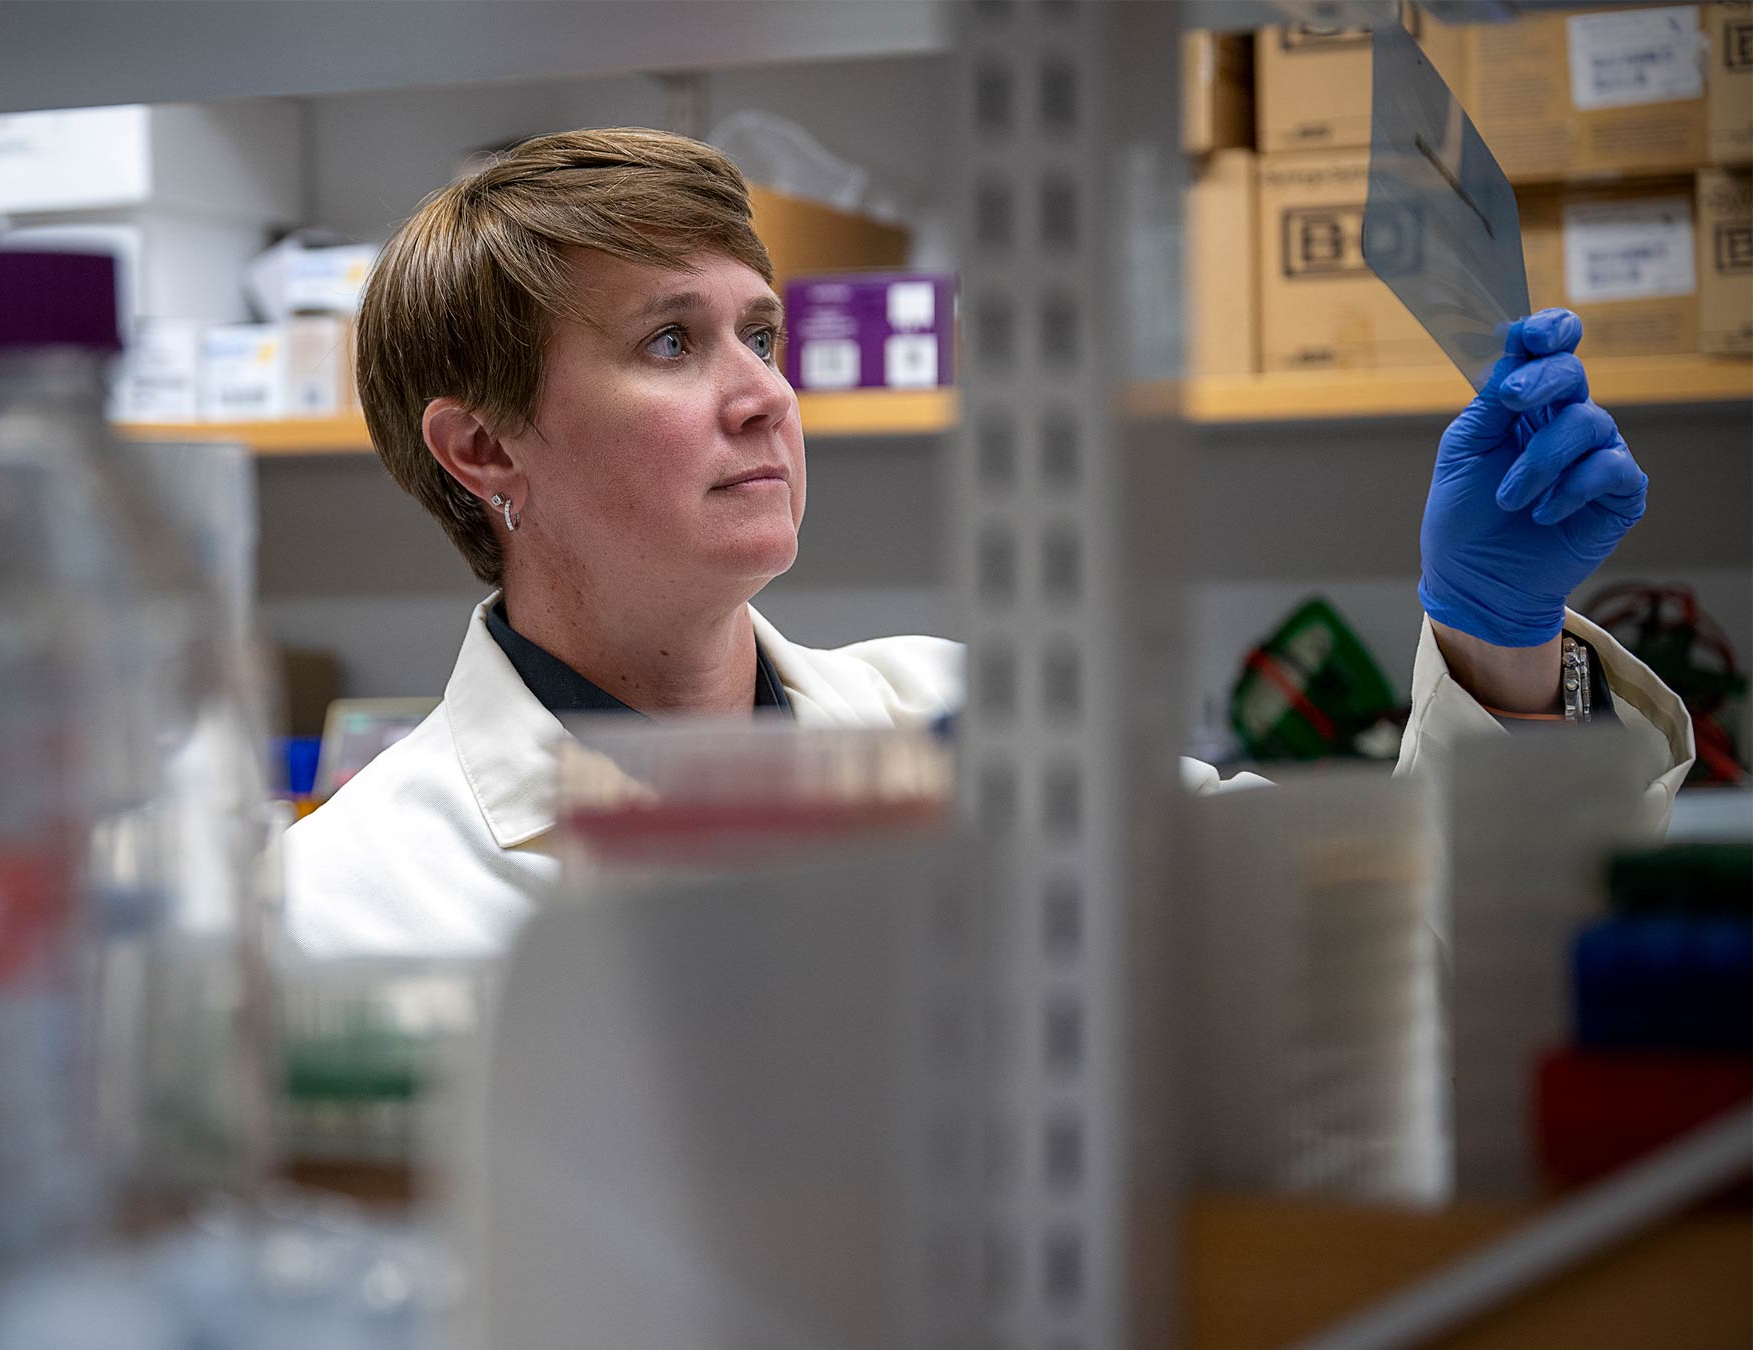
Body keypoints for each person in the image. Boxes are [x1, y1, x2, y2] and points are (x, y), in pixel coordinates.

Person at [284, 127, 1692, 959]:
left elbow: (1391, 955)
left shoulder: (974, 722)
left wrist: (1498, 643)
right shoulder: (342, 901)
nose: (766, 388)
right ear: (484, 450)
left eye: (760, 333)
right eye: (671, 339)